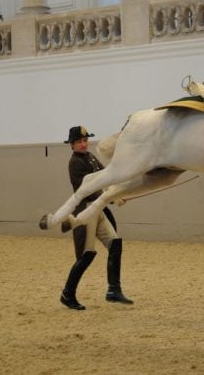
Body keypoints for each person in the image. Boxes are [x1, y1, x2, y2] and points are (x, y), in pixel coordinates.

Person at [59, 125, 133, 310]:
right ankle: (67, 294)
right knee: (86, 255)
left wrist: (118, 193)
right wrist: (112, 199)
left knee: (115, 244)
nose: (83, 144)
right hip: (86, 211)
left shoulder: (90, 157)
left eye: (85, 141)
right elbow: (88, 190)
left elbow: (106, 177)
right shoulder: (75, 163)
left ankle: (113, 290)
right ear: (72, 145)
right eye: (79, 142)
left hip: (98, 210)